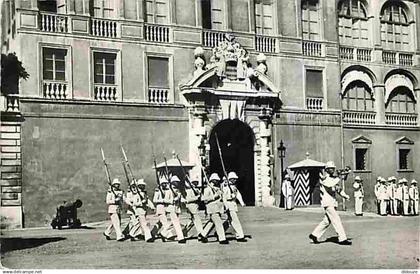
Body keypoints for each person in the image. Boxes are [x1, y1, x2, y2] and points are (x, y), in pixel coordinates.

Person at [309, 161, 352, 245]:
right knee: (336, 220)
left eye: (333, 168)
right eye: (330, 169)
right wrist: (339, 176)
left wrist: (345, 196)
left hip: (332, 202)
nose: (332, 170)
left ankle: (314, 235)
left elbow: (338, 189)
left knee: (326, 221)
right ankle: (342, 238)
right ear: (327, 170)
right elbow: (330, 184)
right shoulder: (324, 178)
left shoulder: (333, 179)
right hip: (327, 203)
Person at [202, 173, 228, 244]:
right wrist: (214, 196)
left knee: (212, 222)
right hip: (212, 208)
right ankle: (222, 238)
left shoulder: (218, 189)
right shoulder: (207, 189)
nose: (216, 182)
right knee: (218, 223)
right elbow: (204, 199)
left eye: (217, 180)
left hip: (218, 208)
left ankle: (203, 235)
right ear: (211, 180)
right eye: (215, 180)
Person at [222, 172, 247, 242]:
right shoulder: (225, 187)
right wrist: (229, 199)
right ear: (231, 179)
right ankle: (240, 235)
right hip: (229, 205)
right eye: (234, 179)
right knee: (235, 221)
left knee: (230, 221)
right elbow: (224, 197)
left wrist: (242, 203)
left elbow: (238, 194)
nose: (235, 180)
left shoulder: (233, 187)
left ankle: (220, 231)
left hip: (233, 205)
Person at [182, 174, 207, 242]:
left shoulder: (197, 190)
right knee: (198, 220)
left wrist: (200, 195)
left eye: (196, 182)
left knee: (192, 221)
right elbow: (188, 200)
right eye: (194, 182)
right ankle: (201, 234)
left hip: (195, 206)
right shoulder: (189, 190)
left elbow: (201, 197)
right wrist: (197, 197)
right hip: (191, 206)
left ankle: (183, 232)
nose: (195, 184)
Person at [165, 176, 186, 244]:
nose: (177, 183)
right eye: (175, 182)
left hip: (177, 208)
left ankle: (163, 234)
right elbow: (165, 200)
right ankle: (180, 238)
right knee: (176, 223)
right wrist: (173, 200)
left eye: (177, 182)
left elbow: (181, 198)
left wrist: (185, 200)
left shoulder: (178, 190)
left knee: (174, 223)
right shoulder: (169, 190)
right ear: (172, 182)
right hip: (171, 208)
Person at [151, 177, 173, 241]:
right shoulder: (158, 191)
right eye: (163, 183)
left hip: (166, 208)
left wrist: (166, 201)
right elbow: (154, 200)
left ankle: (152, 233)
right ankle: (166, 235)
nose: (164, 185)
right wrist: (162, 200)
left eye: (165, 183)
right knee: (165, 222)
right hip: (160, 208)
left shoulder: (169, 191)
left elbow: (170, 200)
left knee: (160, 222)